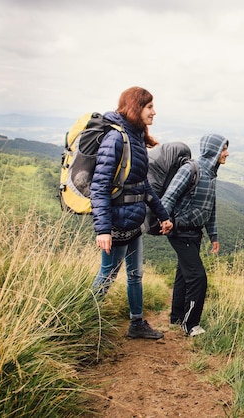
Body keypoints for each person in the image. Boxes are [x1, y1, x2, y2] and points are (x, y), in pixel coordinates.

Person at [90, 86, 173, 339]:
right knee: (107, 275)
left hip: (134, 221)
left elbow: (142, 185)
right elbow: (99, 186)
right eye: (150, 107)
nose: (154, 112)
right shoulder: (116, 138)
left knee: (135, 275)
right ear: (137, 107)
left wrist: (163, 215)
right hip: (116, 222)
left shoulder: (135, 137)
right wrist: (103, 229)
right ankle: (79, 318)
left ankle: (137, 324)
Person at [160, 133, 229, 336]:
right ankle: (190, 325)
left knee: (183, 275)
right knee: (198, 277)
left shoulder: (211, 175)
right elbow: (169, 196)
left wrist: (213, 236)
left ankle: (177, 317)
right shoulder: (191, 169)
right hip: (180, 232)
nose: (226, 153)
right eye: (223, 149)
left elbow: (211, 208)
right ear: (213, 150)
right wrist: (164, 220)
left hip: (194, 233)